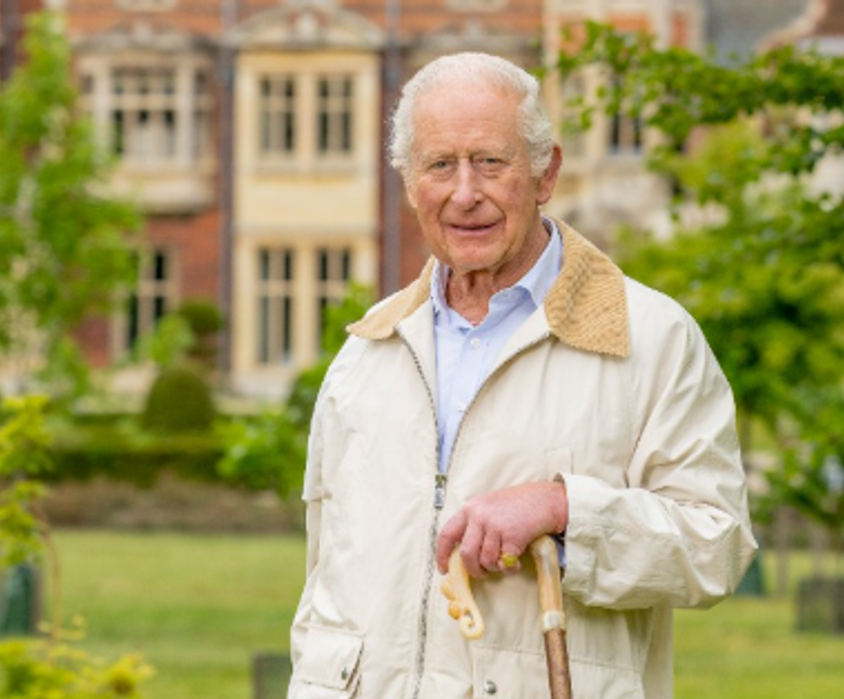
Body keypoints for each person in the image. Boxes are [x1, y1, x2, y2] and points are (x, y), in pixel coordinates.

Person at [286, 52, 756, 699]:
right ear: (407, 180)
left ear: (545, 173)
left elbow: (717, 544)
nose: (464, 193)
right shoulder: (366, 354)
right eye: (439, 165)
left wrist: (566, 508)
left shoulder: (651, 336)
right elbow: (325, 589)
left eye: (489, 161)